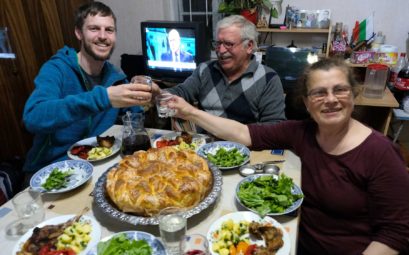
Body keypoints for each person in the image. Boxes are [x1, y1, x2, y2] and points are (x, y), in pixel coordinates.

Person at [167, 58, 409, 255]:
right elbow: (244, 132)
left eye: (340, 90)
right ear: (306, 102)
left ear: (354, 96)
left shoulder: (380, 152)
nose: (331, 100)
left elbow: (396, 233)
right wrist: (189, 111)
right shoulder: (302, 132)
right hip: (294, 243)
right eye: (319, 93)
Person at [23, 1, 152, 174]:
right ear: (79, 33)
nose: (103, 36)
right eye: (94, 29)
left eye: (109, 30)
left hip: (97, 166)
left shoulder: (115, 76)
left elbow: (136, 115)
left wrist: (151, 97)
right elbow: (33, 117)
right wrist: (103, 98)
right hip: (52, 170)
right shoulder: (57, 69)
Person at [155, 15, 285, 129]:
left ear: (249, 46)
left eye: (228, 44)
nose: (221, 50)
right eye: (218, 44)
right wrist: (156, 93)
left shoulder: (268, 79)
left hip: (246, 150)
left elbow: (274, 128)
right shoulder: (204, 70)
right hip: (204, 149)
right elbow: (181, 92)